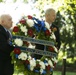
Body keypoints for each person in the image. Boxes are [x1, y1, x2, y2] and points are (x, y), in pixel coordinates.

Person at [35, 8, 61, 75]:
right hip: (38, 56)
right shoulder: (39, 26)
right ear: (47, 15)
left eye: (55, 15)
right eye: (53, 15)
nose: (55, 17)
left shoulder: (56, 28)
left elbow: (58, 42)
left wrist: (55, 51)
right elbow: (34, 39)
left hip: (50, 58)